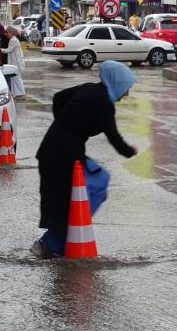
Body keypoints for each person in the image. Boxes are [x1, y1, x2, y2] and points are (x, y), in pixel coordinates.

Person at [32, 61, 138, 258]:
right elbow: (113, 137)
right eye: (127, 88)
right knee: (82, 193)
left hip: (54, 146)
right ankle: (51, 244)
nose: (127, 94)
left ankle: (54, 243)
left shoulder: (89, 89)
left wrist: (64, 123)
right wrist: (130, 151)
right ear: (117, 83)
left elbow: (58, 98)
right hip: (63, 153)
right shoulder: (104, 103)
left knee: (78, 192)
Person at [1, 27, 26, 100]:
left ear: (11, 33)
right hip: (14, 62)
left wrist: (0, 49)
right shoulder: (12, 39)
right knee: (13, 78)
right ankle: (17, 94)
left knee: (17, 78)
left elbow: (9, 50)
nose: (6, 34)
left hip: (16, 63)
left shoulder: (13, 40)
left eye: (7, 32)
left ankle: (22, 94)